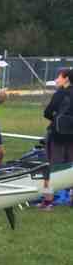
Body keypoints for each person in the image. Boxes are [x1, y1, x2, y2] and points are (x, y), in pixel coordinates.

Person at [38, 67, 73, 210]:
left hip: (57, 136)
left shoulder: (60, 93)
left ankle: (47, 201)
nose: (57, 80)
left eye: (59, 77)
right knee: (71, 167)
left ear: (66, 78)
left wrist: (57, 120)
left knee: (51, 168)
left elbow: (47, 112)